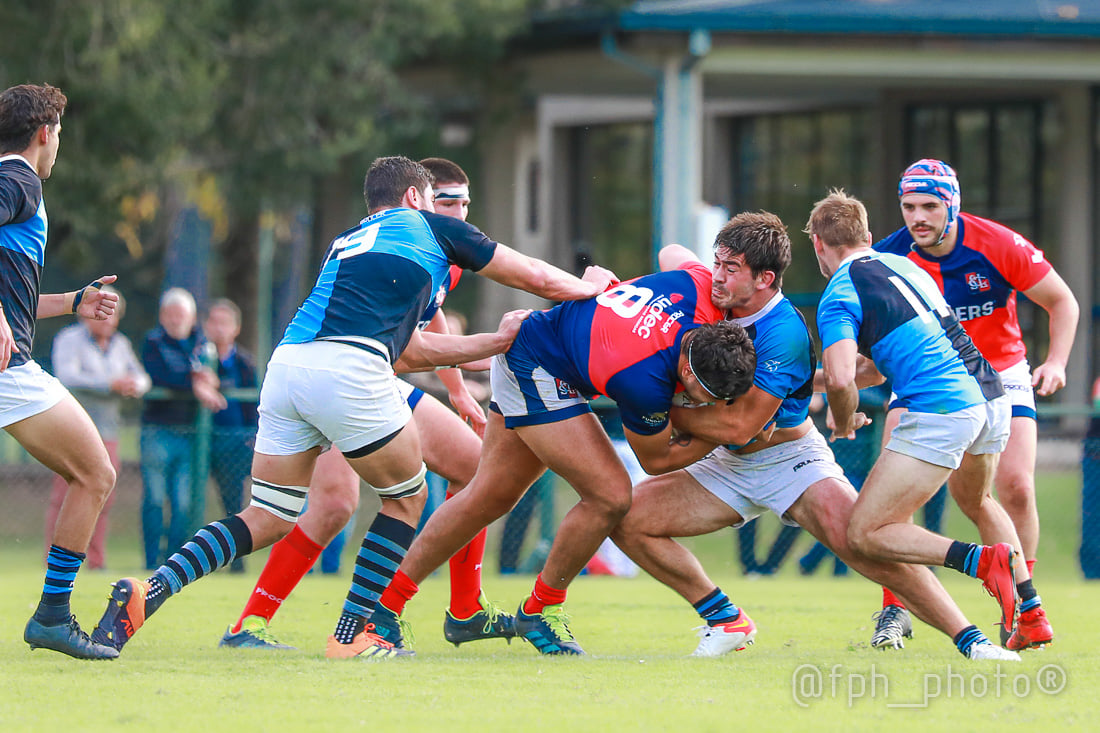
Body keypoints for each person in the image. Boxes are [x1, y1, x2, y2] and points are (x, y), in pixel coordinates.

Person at [91, 154, 616, 657]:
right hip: (350, 372)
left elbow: (409, 351)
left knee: (269, 513)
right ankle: (353, 634)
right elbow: (535, 276)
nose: (442, 210)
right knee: (407, 501)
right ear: (415, 196)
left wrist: (492, 343)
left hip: (289, 367)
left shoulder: (347, 241)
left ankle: (151, 590)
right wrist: (592, 289)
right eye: (436, 199)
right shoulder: (431, 228)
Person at [608, 214, 1015, 660]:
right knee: (627, 519)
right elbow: (671, 252)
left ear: (764, 278)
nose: (719, 276)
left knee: (867, 547)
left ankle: (972, 641)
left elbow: (741, 426)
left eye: (731, 267)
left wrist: (653, 402)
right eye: (716, 264)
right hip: (727, 463)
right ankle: (725, 619)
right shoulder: (718, 291)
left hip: (791, 461)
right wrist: (686, 275)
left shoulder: (785, 331)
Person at [218, 157, 522, 653]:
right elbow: (403, 348)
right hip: (350, 377)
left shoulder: (446, 253)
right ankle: (258, 622)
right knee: (335, 504)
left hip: (367, 374)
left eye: (466, 202)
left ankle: (465, 609)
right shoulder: (406, 237)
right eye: (448, 202)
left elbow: (434, 318)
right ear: (417, 203)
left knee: (473, 466)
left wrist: (460, 388)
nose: (459, 213)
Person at [373, 267, 757, 656]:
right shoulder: (643, 381)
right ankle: (540, 608)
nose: (704, 405)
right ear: (688, 368)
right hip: (538, 365)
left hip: (544, 348)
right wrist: (725, 434)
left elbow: (673, 253)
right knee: (610, 495)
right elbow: (656, 460)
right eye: (701, 394)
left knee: (487, 497)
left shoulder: (699, 287)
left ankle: (396, 608)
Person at [810, 188, 1054, 658]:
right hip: (991, 396)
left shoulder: (840, 290)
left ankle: (982, 561)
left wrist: (842, 423)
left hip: (942, 409)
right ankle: (1031, 614)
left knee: (865, 532)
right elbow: (870, 371)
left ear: (819, 244)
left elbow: (844, 379)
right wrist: (802, 383)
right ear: (869, 236)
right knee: (978, 499)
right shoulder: (904, 266)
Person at [864, 159, 1075, 649]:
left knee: (1016, 487)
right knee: (896, 496)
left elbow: (1063, 302)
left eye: (930, 206)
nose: (918, 217)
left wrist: (1057, 362)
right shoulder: (889, 257)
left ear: (952, 206)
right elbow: (873, 341)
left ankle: (1023, 605)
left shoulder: (997, 244)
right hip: (924, 373)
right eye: (909, 206)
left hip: (998, 371)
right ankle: (895, 610)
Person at [2, 82, 122, 660]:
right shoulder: (17, 179)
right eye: (60, 136)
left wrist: (73, 301)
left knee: (94, 473)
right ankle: (52, 615)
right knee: (95, 473)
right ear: (44, 133)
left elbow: (15, 299)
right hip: (7, 371)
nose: (58, 148)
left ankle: (52, 615)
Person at [46, 286, 150, 571]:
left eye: (112, 315)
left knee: (103, 494)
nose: (106, 319)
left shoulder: (121, 344)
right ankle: (53, 559)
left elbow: (142, 378)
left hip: (107, 430)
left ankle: (94, 560)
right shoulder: (68, 339)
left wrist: (133, 386)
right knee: (65, 494)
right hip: (69, 428)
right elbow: (67, 375)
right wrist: (110, 383)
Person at [139, 287, 226, 569]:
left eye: (182, 315)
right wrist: (195, 381)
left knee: (183, 503)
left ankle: (172, 564)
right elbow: (160, 375)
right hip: (157, 432)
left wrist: (205, 380)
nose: (176, 320)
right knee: (153, 499)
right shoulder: (152, 342)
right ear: (163, 316)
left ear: (191, 318)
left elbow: (217, 376)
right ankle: (150, 560)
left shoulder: (202, 345)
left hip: (190, 435)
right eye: (171, 314)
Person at [203, 298, 259, 572]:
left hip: (234, 444)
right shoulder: (199, 358)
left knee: (233, 504)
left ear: (236, 328)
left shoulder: (245, 363)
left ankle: (236, 563)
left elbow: (254, 406)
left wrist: (250, 437)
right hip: (200, 441)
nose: (219, 328)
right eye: (214, 321)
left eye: (225, 322)